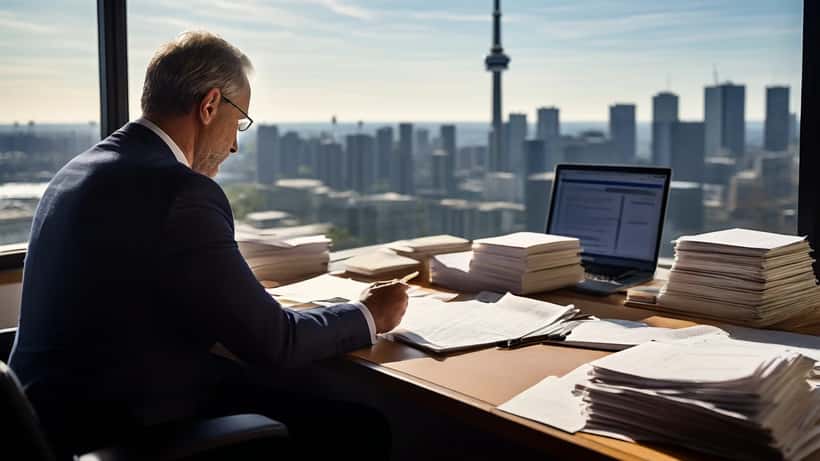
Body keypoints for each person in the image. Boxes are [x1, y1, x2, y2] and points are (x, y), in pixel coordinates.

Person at [9, 31, 407, 458]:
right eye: (238, 123)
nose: (235, 144)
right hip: (123, 429)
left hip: (42, 420)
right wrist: (368, 314)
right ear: (210, 105)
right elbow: (276, 343)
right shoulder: (181, 192)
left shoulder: (75, 171)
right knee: (360, 429)